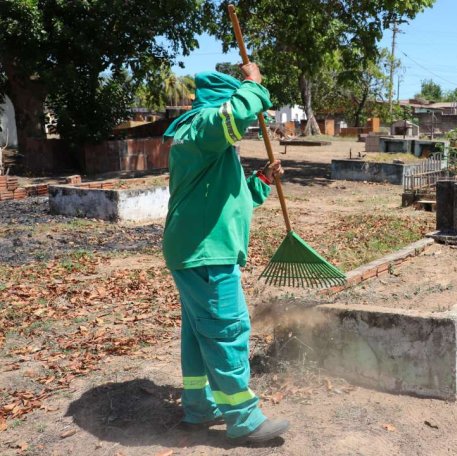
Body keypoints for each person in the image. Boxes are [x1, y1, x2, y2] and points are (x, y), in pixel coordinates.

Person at [162, 63, 289, 445]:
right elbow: (236, 114)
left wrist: (262, 181)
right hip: (206, 254)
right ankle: (244, 418)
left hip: (197, 248)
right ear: (221, 101)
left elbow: (231, 200)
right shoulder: (201, 127)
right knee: (226, 330)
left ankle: (200, 407)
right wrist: (252, 84)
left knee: (199, 333)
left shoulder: (208, 145)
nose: (241, 132)